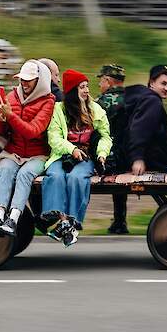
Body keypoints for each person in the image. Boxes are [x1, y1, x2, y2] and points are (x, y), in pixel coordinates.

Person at [41, 69, 112, 246]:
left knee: (77, 178)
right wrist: (71, 149)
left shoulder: (95, 110)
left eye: (87, 86)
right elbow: (54, 138)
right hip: (61, 155)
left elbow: (105, 136)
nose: (87, 90)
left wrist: (102, 154)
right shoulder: (59, 110)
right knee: (55, 176)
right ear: (73, 90)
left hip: (85, 156)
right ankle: (63, 221)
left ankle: (71, 222)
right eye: (82, 87)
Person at [0, 60, 55, 237]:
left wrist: (11, 115)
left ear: (39, 80)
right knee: (5, 170)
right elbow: (1, 130)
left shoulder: (48, 102)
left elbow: (33, 131)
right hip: (13, 151)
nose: (24, 83)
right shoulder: (11, 96)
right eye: (22, 79)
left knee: (25, 175)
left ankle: (13, 220)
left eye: (29, 79)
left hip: (37, 155)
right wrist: (1, 118)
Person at [124, 64, 167, 176]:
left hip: (140, 156)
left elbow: (159, 135)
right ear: (152, 82)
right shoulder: (152, 101)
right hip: (148, 160)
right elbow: (140, 129)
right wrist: (137, 158)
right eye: (163, 83)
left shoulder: (144, 98)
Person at [95, 64, 129, 234]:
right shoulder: (132, 98)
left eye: (101, 80)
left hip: (109, 157)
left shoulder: (102, 102)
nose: (99, 85)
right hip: (129, 156)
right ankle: (120, 221)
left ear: (107, 80)